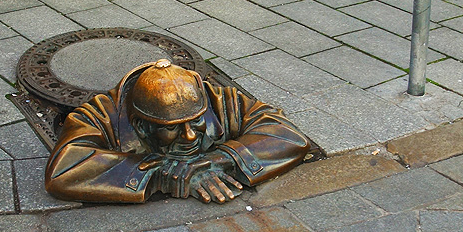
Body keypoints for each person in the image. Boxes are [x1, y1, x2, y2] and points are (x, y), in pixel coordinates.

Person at [45, 59, 310, 204]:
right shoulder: (100, 114)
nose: (191, 136)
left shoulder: (216, 100)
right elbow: (64, 170)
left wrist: (217, 160)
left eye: (196, 122)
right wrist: (161, 173)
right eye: (171, 129)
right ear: (141, 127)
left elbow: (287, 134)